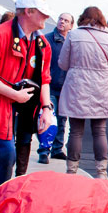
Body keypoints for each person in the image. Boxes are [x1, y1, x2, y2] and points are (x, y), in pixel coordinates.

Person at [0, 0, 54, 184]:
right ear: (28, 12)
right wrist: (14, 94)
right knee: (6, 154)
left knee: (17, 148)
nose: (47, 17)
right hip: (3, 105)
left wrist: (46, 109)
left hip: (26, 106)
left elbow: (45, 79)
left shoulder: (43, 45)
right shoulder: (2, 35)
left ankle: (11, 189)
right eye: (42, 13)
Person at [58, 6, 108, 179]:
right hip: (101, 87)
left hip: (77, 87)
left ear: (83, 18)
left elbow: (63, 63)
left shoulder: (74, 35)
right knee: (100, 130)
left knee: (75, 131)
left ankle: (71, 171)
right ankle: (102, 172)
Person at [38, 12, 74, 163]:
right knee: (48, 118)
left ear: (71, 26)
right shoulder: (47, 39)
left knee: (62, 120)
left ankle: (57, 149)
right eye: (61, 19)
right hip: (50, 86)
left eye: (66, 21)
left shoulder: (72, 42)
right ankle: (44, 150)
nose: (62, 22)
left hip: (65, 88)